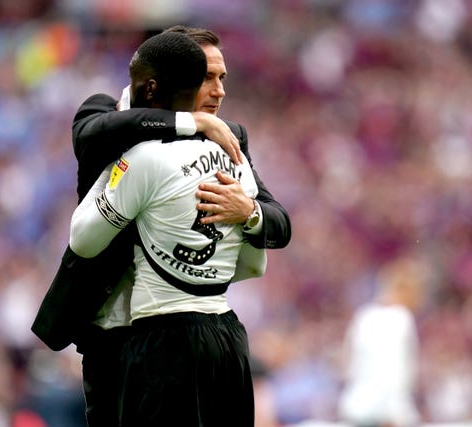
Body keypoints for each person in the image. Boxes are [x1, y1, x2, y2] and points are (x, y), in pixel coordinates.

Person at [32, 25, 291, 426]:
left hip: (165, 330)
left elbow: (279, 223)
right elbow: (97, 134)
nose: (218, 91)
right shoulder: (101, 112)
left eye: (222, 78)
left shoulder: (227, 142)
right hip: (110, 331)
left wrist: (249, 212)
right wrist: (190, 124)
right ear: (161, 81)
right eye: (204, 78)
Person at [337, 257, 427, 427]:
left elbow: (347, 363)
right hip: (389, 410)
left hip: (357, 405)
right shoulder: (402, 319)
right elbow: (399, 373)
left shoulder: (363, 315)